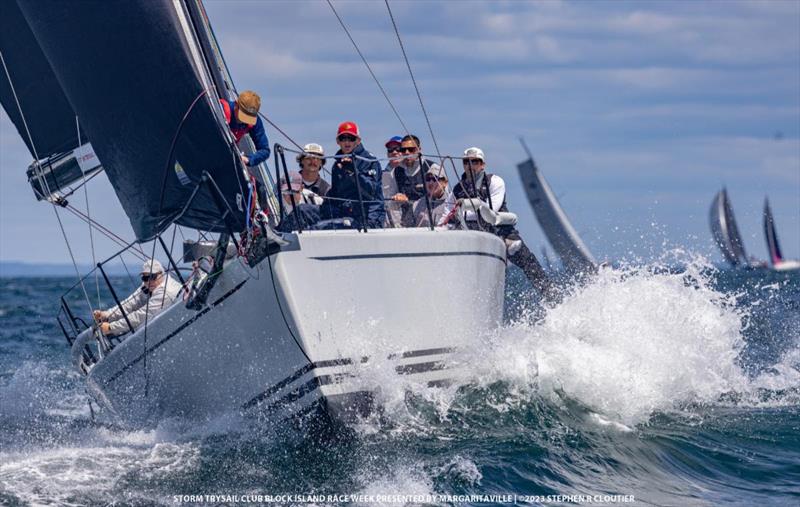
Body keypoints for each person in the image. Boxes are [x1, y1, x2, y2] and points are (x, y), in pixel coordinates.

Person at [440, 147, 556, 300]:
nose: (470, 165)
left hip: (503, 233)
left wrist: (465, 208)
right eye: (466, 162)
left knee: (529, 264)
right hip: (476, 236)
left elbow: (491, 210)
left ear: (483, 164)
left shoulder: (494, 181)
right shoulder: (457, 190)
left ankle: (552, 295)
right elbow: (446, 215)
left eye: (475, 161)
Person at [277, 122, 384, 231]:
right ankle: (275, 237)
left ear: (358, 140)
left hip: (365, 218)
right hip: (342, 212)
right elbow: (336, 194)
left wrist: (352, 172)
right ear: (338, 141)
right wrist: (324, 206)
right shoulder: (337, 165)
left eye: (351, 138)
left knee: (318, 228)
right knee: (302, 210)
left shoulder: (369, 161)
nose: (347, 142)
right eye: (343, 138)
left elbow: (372, 193)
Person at [93, 259, 182, 337]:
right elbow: (130, 304)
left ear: (161, 274)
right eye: (145, 278)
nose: (149, 281)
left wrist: (110, 327)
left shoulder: (165, 292)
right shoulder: (148, 285)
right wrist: (107, 315)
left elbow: (140, 316)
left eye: (152, 277)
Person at [391, 134, 442, 227]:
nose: (407, 152)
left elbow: (442, 197)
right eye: (403, 150)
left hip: (428, 221)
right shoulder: (396, 171)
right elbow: (392, 199)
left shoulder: (432, 168)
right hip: (406, 222)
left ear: (419, 150)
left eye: (411, 149)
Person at [219, 90, 270, 168]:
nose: (244, 120)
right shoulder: (220, 109)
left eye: (248, 117)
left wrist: (249, 159)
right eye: (243, 115)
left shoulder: (254, 122)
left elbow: (265, 150)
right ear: (236, 104)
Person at [382, 136, 404, 227]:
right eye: (390, 150)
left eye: (398, 149)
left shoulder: (413, 173)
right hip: (386, 223)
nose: (394, 152)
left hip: (407, 222)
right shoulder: (381, 175)